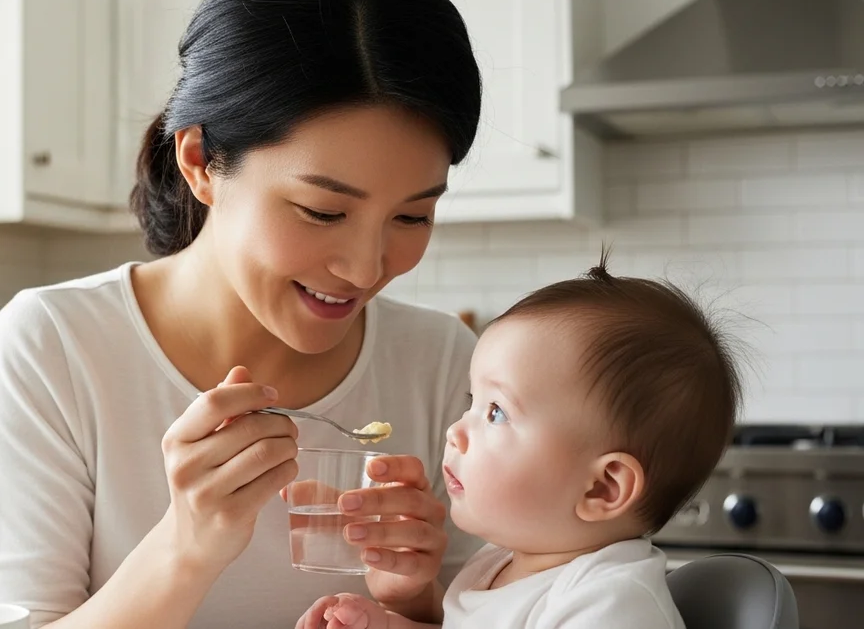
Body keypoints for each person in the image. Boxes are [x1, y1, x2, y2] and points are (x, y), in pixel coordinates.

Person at [0, 0, 483, 628]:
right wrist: (187, 545)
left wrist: (414, 603)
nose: (365, 269)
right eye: (322, 210)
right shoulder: (55, 345)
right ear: (201, 161)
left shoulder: (443, 363)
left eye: (413, 215)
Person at [297, 255, 743, 629]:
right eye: (472, 402)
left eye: (496, 412)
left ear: (602, 487)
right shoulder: (498, 565)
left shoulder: (610, 604)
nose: (455, 431)